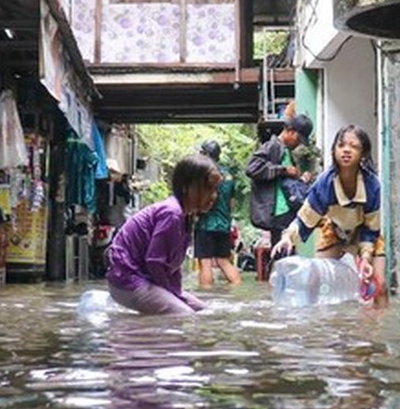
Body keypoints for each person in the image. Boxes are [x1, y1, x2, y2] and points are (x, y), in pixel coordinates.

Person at [272, 124, 388, 305]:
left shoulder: (372, 185)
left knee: (379, 285)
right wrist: (288, 237)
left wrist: (365, 258)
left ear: (363, 154)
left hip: (366, 235)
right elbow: (306, 219)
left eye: (354, 146)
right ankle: (322, 323)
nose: (346, 150)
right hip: (333, 230)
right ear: (334, 150)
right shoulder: (324, 183)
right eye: (341, 145)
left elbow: (371, 229)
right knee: (314, 281)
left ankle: (377, 322)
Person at [105, 154, 220, 315]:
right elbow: (154, 262)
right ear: (186, 187)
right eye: (208, 188)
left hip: (145, 279)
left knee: (203, 311)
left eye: (215, 189)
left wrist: (176, 293)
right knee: (183, 315)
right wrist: (171, 294)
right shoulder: (172, 214)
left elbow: (173, 269)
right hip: (127, 280)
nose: (213, 196)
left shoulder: (185, 217)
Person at [245, 114, 315, 236]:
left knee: (286, 245)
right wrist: (284, 170)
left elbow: (287, 183)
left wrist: (301, 180)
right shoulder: (272, 146)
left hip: (285, 213)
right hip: (276, 213)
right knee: (282, 246)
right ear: (290, 132)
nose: (298, 144)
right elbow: (252, 168)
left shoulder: (286, 151)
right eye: (298, 139)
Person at [195, 140, 242, 287]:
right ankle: (237, 287)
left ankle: (206, 295)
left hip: (206, 224)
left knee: (205, 262)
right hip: (224, 224)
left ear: (206, 154)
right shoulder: (228, 175)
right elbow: (232, 202)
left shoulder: (203, 174)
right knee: (223, 261)